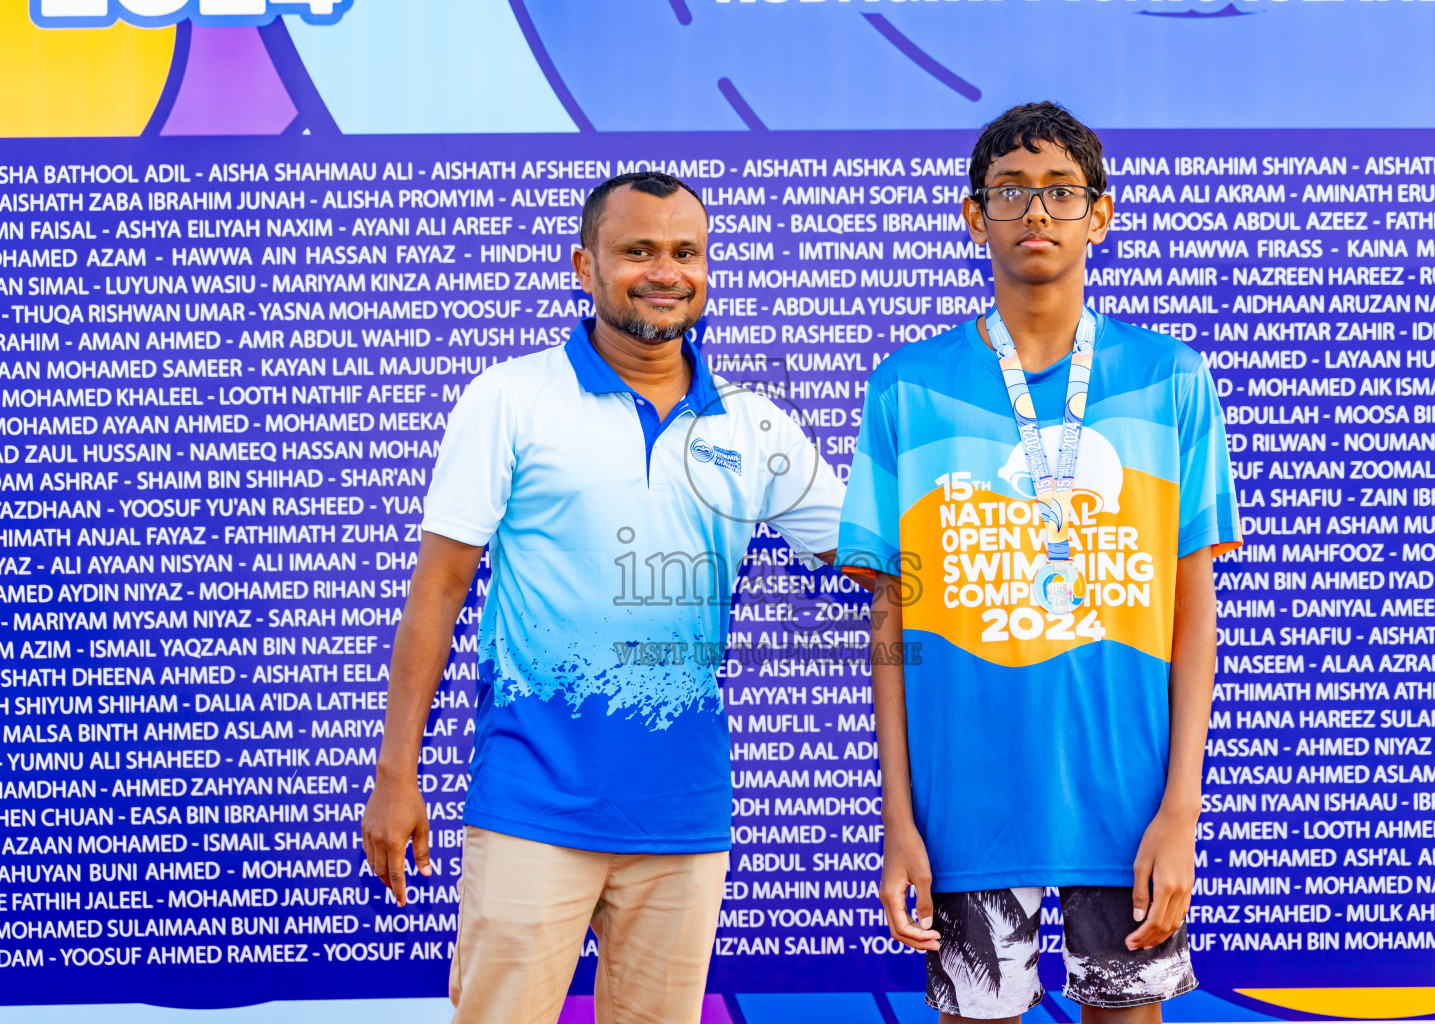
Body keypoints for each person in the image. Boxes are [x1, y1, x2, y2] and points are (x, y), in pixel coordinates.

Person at [360, 171, 846, 1024]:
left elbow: (882, 563)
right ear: (585, 266)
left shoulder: (753, 425)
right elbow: (438, 590)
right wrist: (396, 774)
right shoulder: (510, 397)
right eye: (638, 252)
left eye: (685, 253)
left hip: (683, 815)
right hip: (530, 803)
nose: (665, 272)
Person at [837, 102, 1242, 1023]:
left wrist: (1181, 810)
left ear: (1100, 214)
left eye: (1060, 193)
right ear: (973, 216)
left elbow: (1193, 608)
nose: (1035, 214)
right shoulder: (911, 383)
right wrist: (899, 820)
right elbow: (892, 619)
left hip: (1126, 807)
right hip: (967, 808)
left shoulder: (1170, 377)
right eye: (1010, 193)